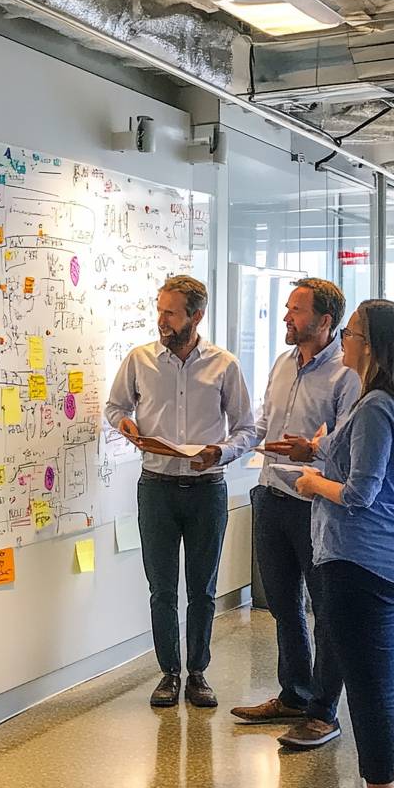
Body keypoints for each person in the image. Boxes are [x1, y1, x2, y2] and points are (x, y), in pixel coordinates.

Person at [295, 299, 394, 788]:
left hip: (360, 559)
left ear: (371, 347)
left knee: (369, 686)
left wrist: (312, 483)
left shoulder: (377, 406)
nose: (344, 342)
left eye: (351, 333)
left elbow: (359, 493)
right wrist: (323, 448)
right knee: (387, 678)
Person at [105, 275, 256, 708]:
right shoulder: (140, 360)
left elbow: (247, 428)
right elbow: (115, 407)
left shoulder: (223, 365)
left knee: (203, 588)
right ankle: (168, 672)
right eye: (160, 311)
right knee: (162, 588)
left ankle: (199, 673)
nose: (162, 320)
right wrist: (124, 424)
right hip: (156, 488)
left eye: (171, 312)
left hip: (207, 487)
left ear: (196, 316)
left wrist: (222, 453)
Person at [231, 278, 359, 751]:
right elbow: (261, 428)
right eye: (287, 308)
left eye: (297, 310)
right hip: (270, 496)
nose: (287, 317)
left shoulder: (348, 374)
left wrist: (313, 452)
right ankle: (294, 694)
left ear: (325, 321)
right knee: (283, 607)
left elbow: (347, 452)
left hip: (316, 506)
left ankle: (324, 712)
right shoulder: (284, 363)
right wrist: (221, 452)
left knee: (324, 612)